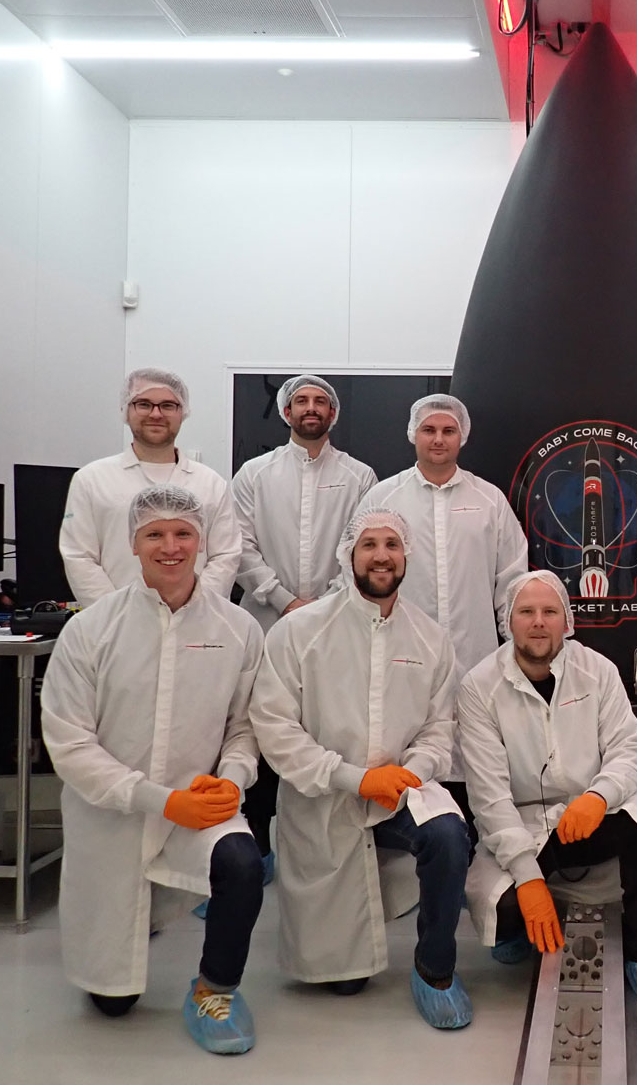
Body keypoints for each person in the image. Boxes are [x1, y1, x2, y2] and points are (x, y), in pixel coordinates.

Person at [41, 485, 265, 1054]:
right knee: (113, 1003)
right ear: (133, 544)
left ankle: (215, 990)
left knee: (242, 864)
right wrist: (159, 800)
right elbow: (71, 746)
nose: (171, 546)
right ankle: (125, 952)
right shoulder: (91, 630)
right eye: (155, 535)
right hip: (113, 814)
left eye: (183, 533)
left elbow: (244, 727)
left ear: (202, 541)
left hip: (198, 806)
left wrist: (232, 779)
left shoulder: (238, 629)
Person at [248, 508, 473, 1030]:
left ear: (406, 555)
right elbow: (275, 729)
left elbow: (439, 727)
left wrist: (410, 773)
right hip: (325, 794)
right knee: (343, 983)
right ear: (349, 554)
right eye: (368, 545)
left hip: (400, 790)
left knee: (447, 835)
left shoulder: (429, 638)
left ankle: (435, 968)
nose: (381, 556)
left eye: (392, 545)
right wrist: (354, 778)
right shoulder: (300, 631)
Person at [458, 570, 637, 1005]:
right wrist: (528, 880)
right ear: (508, 621)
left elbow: (628, 752)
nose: (538, 622)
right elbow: (489, 797)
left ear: (567, 621)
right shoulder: (479, 687)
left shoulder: (596, 670)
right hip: (523, 825)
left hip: (593, 813)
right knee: (505, 909)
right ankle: (518, 928)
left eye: (550, 611)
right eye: (526, 612)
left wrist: (598, 797)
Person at [227, 374, 376, 888]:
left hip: (336, 625)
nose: (311, 408)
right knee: (260, 727)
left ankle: (327, 847)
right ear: (286, 412)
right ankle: (257, 846)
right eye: (301, 401)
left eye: (320, 402)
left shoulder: (360, 476)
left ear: (332, 414)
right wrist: (284, 600)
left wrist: (325, 603)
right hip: (265, 621)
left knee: (325, 728)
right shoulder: (254, 474)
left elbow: (360, 545)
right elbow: (239, 545)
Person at [354, 394, 528, 810]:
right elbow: (356, 573)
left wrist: (513, 651)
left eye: (448, 431)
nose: (438, 439)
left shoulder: (489, 500)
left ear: (462, 437)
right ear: (413, 434)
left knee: (476, 766)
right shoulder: (383, 498)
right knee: (407, 758)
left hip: (476, 656)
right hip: (401, 654)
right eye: (429, 430)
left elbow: (512, 580)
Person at [59, 368, 241, 609]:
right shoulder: (91, 480)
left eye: (168, 405)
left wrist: (193, 610)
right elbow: (79, 556)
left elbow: (225, 556)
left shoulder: (211, 483)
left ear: (183, 412)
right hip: (116, 622)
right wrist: (116, 614)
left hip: (197, 621)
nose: (156, 414)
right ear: (126, 410)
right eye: (144, 404)